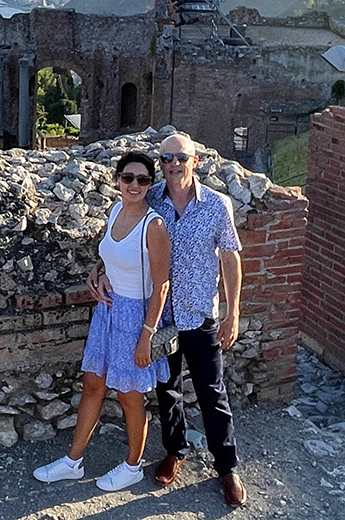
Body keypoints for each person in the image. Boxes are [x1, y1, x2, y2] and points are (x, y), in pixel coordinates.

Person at [88, 133, 248, 508]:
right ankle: (175, 450)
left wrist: (233, 310)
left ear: (195, 161)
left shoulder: (217, 205)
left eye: (181, 157)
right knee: (168, 389)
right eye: (166, 158)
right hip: (159, 316)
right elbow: (122, 238)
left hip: (198, 314)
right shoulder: (151, 195)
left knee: (212, 392)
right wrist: (98, 269)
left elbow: (230, 257)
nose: (173, 164)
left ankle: (227, 468)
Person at [33, 151, 172, 491]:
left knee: (129, 395)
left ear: (150, 184)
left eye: (142, 179)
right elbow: (109, 255)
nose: (134, 185)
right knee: (93, 384)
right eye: (128, 178)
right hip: (107, 312)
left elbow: (162, 285)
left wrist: (146, 336)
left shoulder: (153, 226)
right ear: (118, 180)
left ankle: (133, 465)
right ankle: (73, 461)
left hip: (135, 317)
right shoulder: (114, 212)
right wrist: (96, 273)